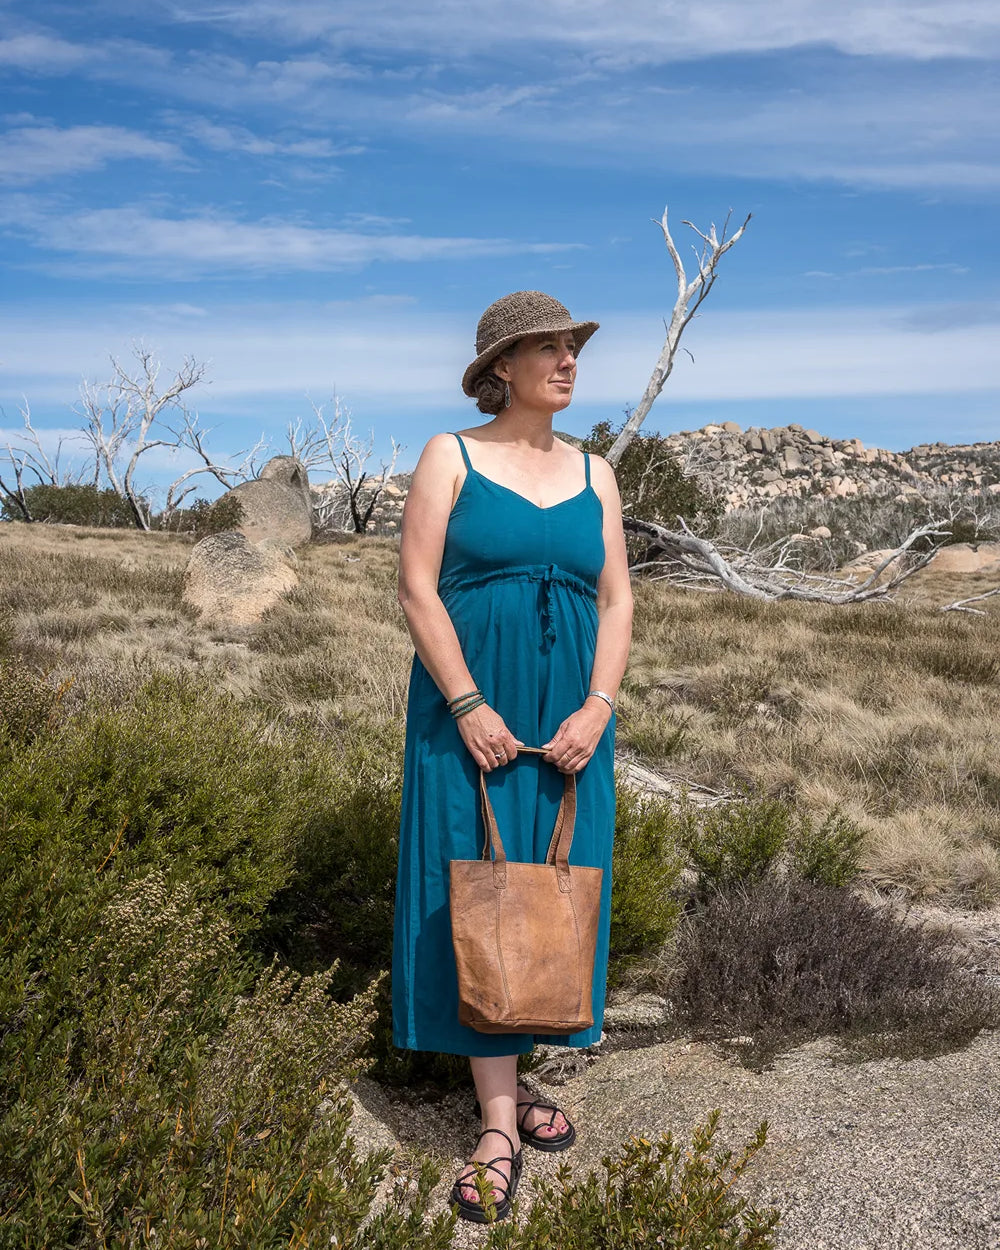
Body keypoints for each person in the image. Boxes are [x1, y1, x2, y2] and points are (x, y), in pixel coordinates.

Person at [392, 290, 633, 1222]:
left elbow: (616, 601)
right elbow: (417, 588)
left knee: (547, 887)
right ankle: (498, 1121)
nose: (569, 360)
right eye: (549, 348)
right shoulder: (449, 456)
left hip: (570, 717)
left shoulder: (596, 473)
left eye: (574, 346)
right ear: (503, 369)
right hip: (471, 711)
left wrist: (599, 708)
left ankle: (513, 1077)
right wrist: (466, 702)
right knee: (477, 882)